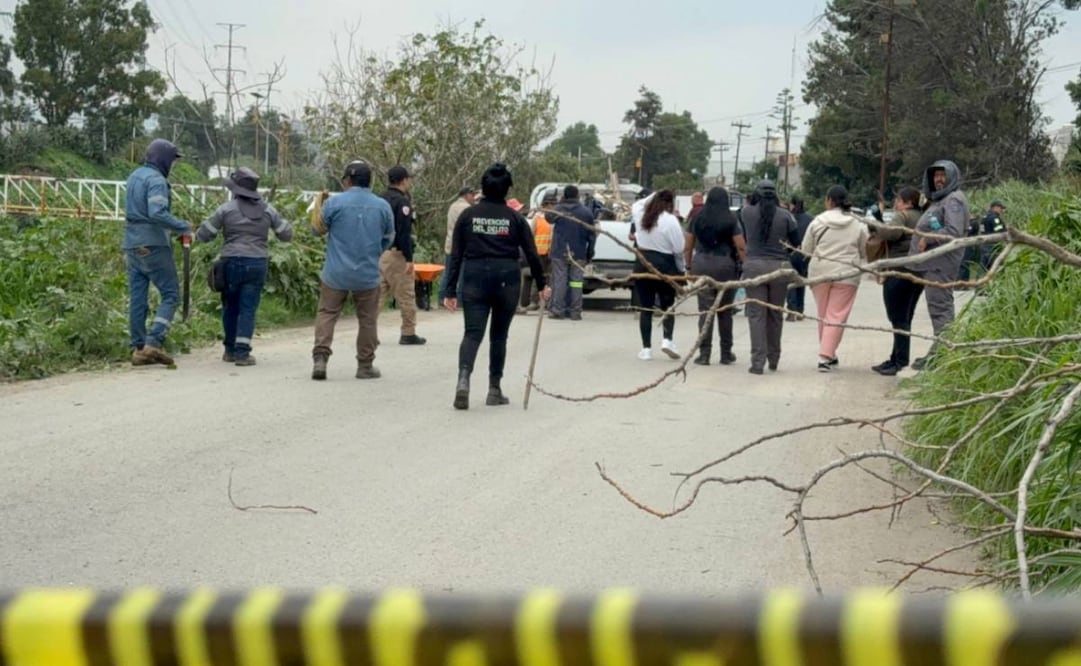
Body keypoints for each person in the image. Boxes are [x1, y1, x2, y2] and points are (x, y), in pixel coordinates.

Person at [443, 163, 549, 410]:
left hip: (474, 276)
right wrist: (542, 283)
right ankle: (494, 389)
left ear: (483, 188)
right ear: (506, 190)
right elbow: (532, 254)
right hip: (506, 278)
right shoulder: (515, 218)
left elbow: (455, 254)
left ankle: (463, 380)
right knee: (499, 336)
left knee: (472, 333)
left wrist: (449, 290)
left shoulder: (468, 216)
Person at [195, 167, 294, 366]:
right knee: (248, 309)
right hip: (257, 264)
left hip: (230, 263)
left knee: (230, 307)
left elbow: (204, 235)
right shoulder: (267, 210)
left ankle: (230, 350)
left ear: (236, 189)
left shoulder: (226, 209)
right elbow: (286, 234)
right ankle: (243, 353)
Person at [311, 161, 395, 381]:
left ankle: (320, 359)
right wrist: (374, 252)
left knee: (327, 313)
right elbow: (388, 238)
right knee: (367, 319)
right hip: (367, 274)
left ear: (347, 180)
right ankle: (365, 366)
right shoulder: (382, 206)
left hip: (335, 273)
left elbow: (316, 230)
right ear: (370, 181)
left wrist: (320, 205)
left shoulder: (334, 203)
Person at [123, 138, 193, 367]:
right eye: (172, 161)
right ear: (164, 159)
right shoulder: (156, 181)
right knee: (171, 293)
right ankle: (154, 341)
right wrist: (183, 226)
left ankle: (138, 347)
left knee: (138, 297)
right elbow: (156, 212)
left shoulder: (135, 176)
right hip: (153, 243)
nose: (172, 166)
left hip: (131, 244)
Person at [909, 160, 970, 370]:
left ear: (952, 176)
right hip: (934, 264)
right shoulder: (941, 200)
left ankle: (942, 356)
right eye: (935, 176)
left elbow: (953, 232)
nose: (939, 180)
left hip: (942, 265)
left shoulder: (954, 201)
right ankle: (939, 352)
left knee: (941, 308)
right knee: (938, 307)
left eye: (943, 175)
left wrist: (929, 238)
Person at [800, 185, 868, 372]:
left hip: (820, 271)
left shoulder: (818, 221)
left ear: (829, 200)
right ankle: (825, 356)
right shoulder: (858, 223)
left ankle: (828, 353)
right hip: (847, 273)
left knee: (824, 314)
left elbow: (806, 249)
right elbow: (864, 249)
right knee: (836, 315)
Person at [740, 180, 800, 375]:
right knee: (775, 314)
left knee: (756, 315)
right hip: (779, 268)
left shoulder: (746, 213)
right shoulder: (786, 216)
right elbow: (796, 244)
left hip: (754, 267)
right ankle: (774, 359)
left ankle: (758, 362)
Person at [684, 187, 746, 366]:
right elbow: (741, 246)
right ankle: (726, 353)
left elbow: (688, 245)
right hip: (725, 266)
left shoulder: (697, 218)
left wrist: (688, 267)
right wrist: (745, 265)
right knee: (725, 310)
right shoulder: (732, 219)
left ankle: (704, 354)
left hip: (701, 264)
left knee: (705, 310)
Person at [870, 186, 924, 375]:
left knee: (897, 317)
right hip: (918, 272)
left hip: (899, 270)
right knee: (905, 317)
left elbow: (889, 234)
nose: (896, 204)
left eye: (899, 200)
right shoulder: (923, 216)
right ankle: (896, 357)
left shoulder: (903, 216)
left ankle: (899, 361)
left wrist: (876, 222)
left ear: (908, 202)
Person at [634, 190, 686, 361]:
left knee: (646, 308)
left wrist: (656, 193)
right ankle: (667, 340)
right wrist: (681, 270)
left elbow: (639, 203)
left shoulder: (640, 213)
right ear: (671, 203)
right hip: (665, 265)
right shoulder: (671, 220)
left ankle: (646, 348)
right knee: (668, 306)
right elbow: (679, 249)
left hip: (642, 264)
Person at [380, 165, 426, 345]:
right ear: (404, 180)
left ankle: (366, 329)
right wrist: (409, 258)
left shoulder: (380, 199)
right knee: (406, 293)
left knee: (377, 293)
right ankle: (408, 332)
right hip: (397, 254)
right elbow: (404, 232)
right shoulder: (403, 202)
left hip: (379, 253)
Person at [548, 185, 597, 320]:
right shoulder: (586, 212)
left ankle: (558, 310)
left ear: (564, 196)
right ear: (577, 196)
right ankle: (575, 312)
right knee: (576, 282)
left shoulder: (558, 209)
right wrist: (590, 253)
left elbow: (548, 217)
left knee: (560, 280)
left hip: (559, 252)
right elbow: (592, 235)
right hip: (579, 252)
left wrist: (560, 203)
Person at [519, 189, 555, 312]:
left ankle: (546, 302)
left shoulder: (554, 219)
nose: (552, 206)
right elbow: (531, 235)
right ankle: (534, 301)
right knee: (537, 277)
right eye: (550, 204)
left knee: (549, 278)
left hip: (549, 254)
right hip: (538, 253)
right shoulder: (537, 218)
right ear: (545, 205)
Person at [442, 186, 477, 303]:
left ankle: (442, 297)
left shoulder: (452, 206)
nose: (474, 198)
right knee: (463, 273)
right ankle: (461, 299)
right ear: (466, 195)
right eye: (472, 195)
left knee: (448, 272)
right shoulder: (467, 209)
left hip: (449, 243)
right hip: (462, 245)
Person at [785, 195, 813, 321]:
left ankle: (792, 310)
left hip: (790, 253)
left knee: (791, 281)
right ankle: (800, 310)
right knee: (801, 281)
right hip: (805, 255)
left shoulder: (788, 217)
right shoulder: (810, 219)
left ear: (792, 204)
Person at [980, 199, 1007, 272]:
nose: (1001, 210)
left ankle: (981, 282)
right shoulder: (994, 218)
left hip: (984, 246)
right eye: (1001, 208)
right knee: (997, 269)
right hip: (993, 247)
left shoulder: (984, 217)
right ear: (995, 207)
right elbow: (1000, 232)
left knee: (984, 269)